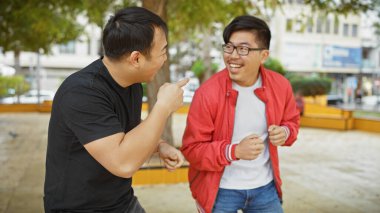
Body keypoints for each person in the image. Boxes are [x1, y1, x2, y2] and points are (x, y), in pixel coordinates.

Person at [44, 7, 188, 213]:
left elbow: (124, 130)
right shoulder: (82, 92)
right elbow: (123, 163)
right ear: (136, 58)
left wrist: (160, 145)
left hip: (121, 201)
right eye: (163, 51)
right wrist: (163, 107)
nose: (165, 59)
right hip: (78, 208)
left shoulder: (133, 84)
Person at [181, 15, 300, 213]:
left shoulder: (281, 86)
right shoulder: (207, 93)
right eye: (229, 47)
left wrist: (285, 132)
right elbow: (192, 150)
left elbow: (292, 122)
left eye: (243, 49)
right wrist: (233, 151)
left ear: (263, 55)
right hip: (219, 191)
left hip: (265, 188)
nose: (233, 55)